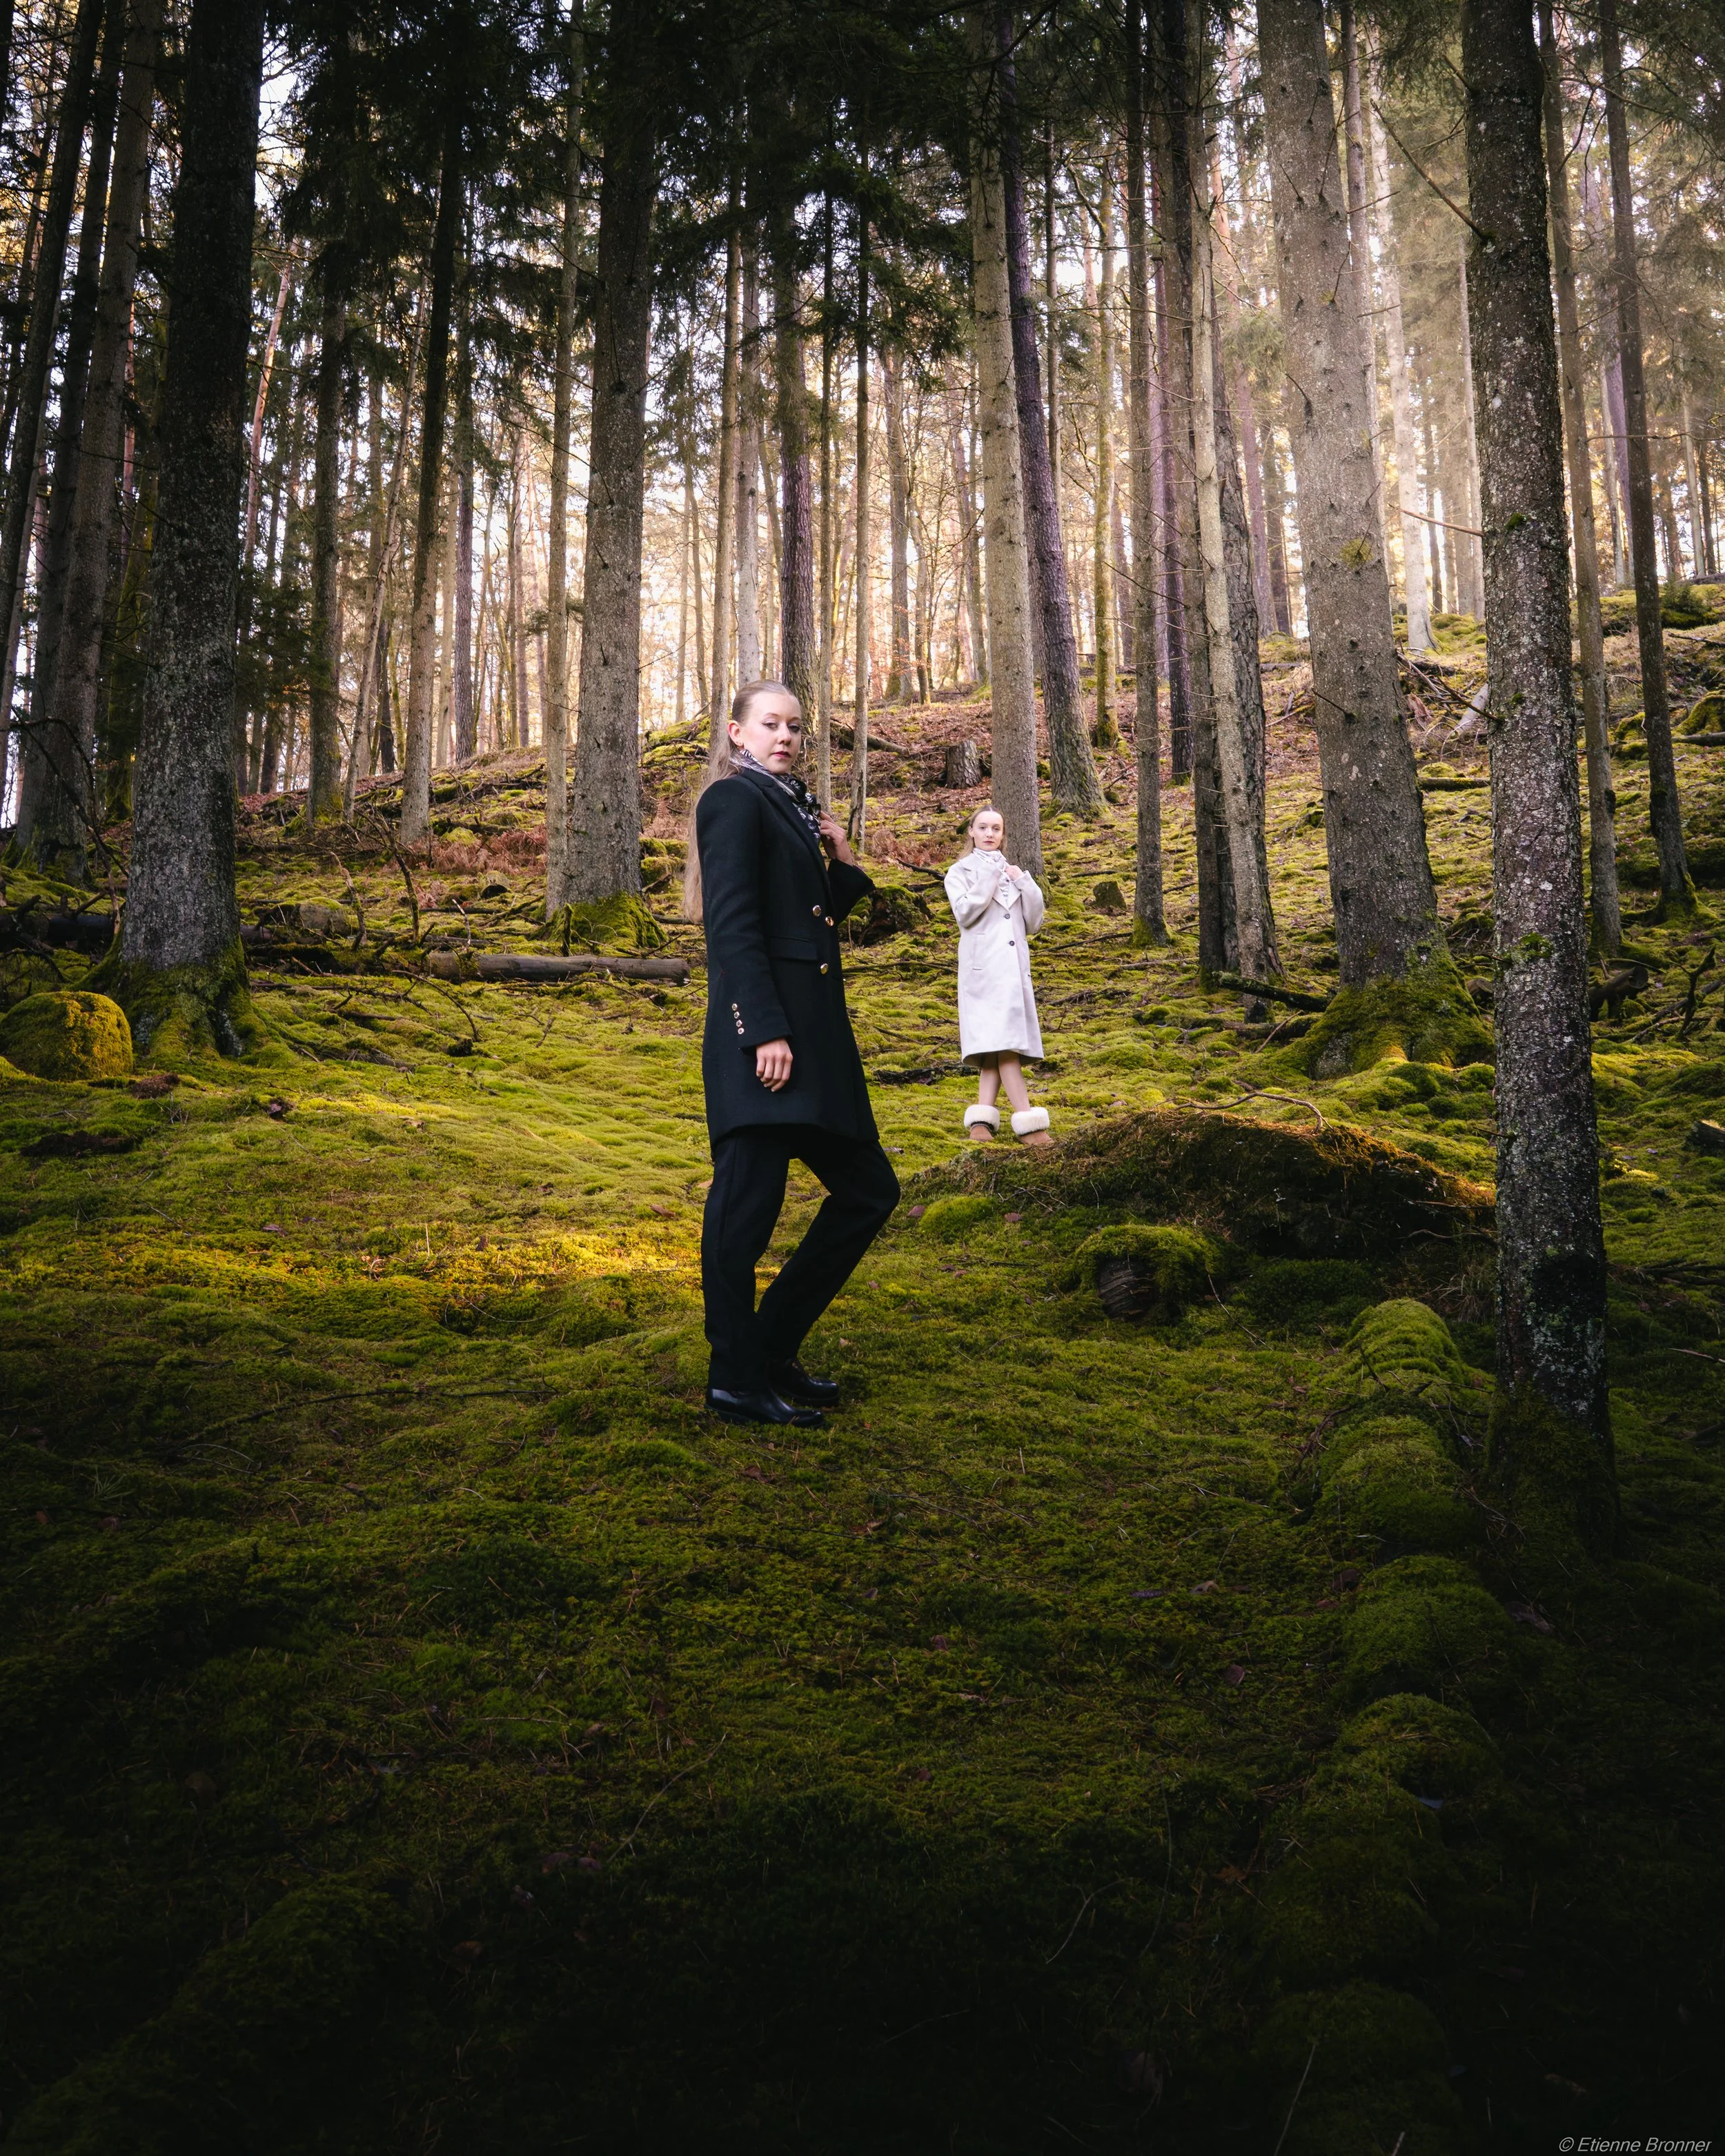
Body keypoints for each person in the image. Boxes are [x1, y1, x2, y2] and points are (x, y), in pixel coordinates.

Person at [687, 680, 900, 1428]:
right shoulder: (732, 800)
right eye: (770, 724)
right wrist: (761, 1029)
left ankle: (769, 1348)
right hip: (769, 1043)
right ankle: (733, 1377)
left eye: (796, 727)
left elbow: (810, 920)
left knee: (869, 1190)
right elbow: (734, 928)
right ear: (737, 732)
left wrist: (839, 858)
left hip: (812, 1045)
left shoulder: (788, 804)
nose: (785, 736)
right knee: (745, 1211)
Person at [944, 804, 1054, 1147]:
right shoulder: (959, 872)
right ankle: (1029, 1125)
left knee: (995, 1047)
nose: (990, 834)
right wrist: (990, 879)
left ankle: (981, 1121)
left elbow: (1033, 924)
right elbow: (964, 914)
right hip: (983, 972)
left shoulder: (1013, 873)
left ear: (1003, 834)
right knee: (1005, 1045)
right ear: (972, 832)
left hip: (1014, 970)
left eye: (996, 828)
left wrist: (1026, 883)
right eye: (983, 828)